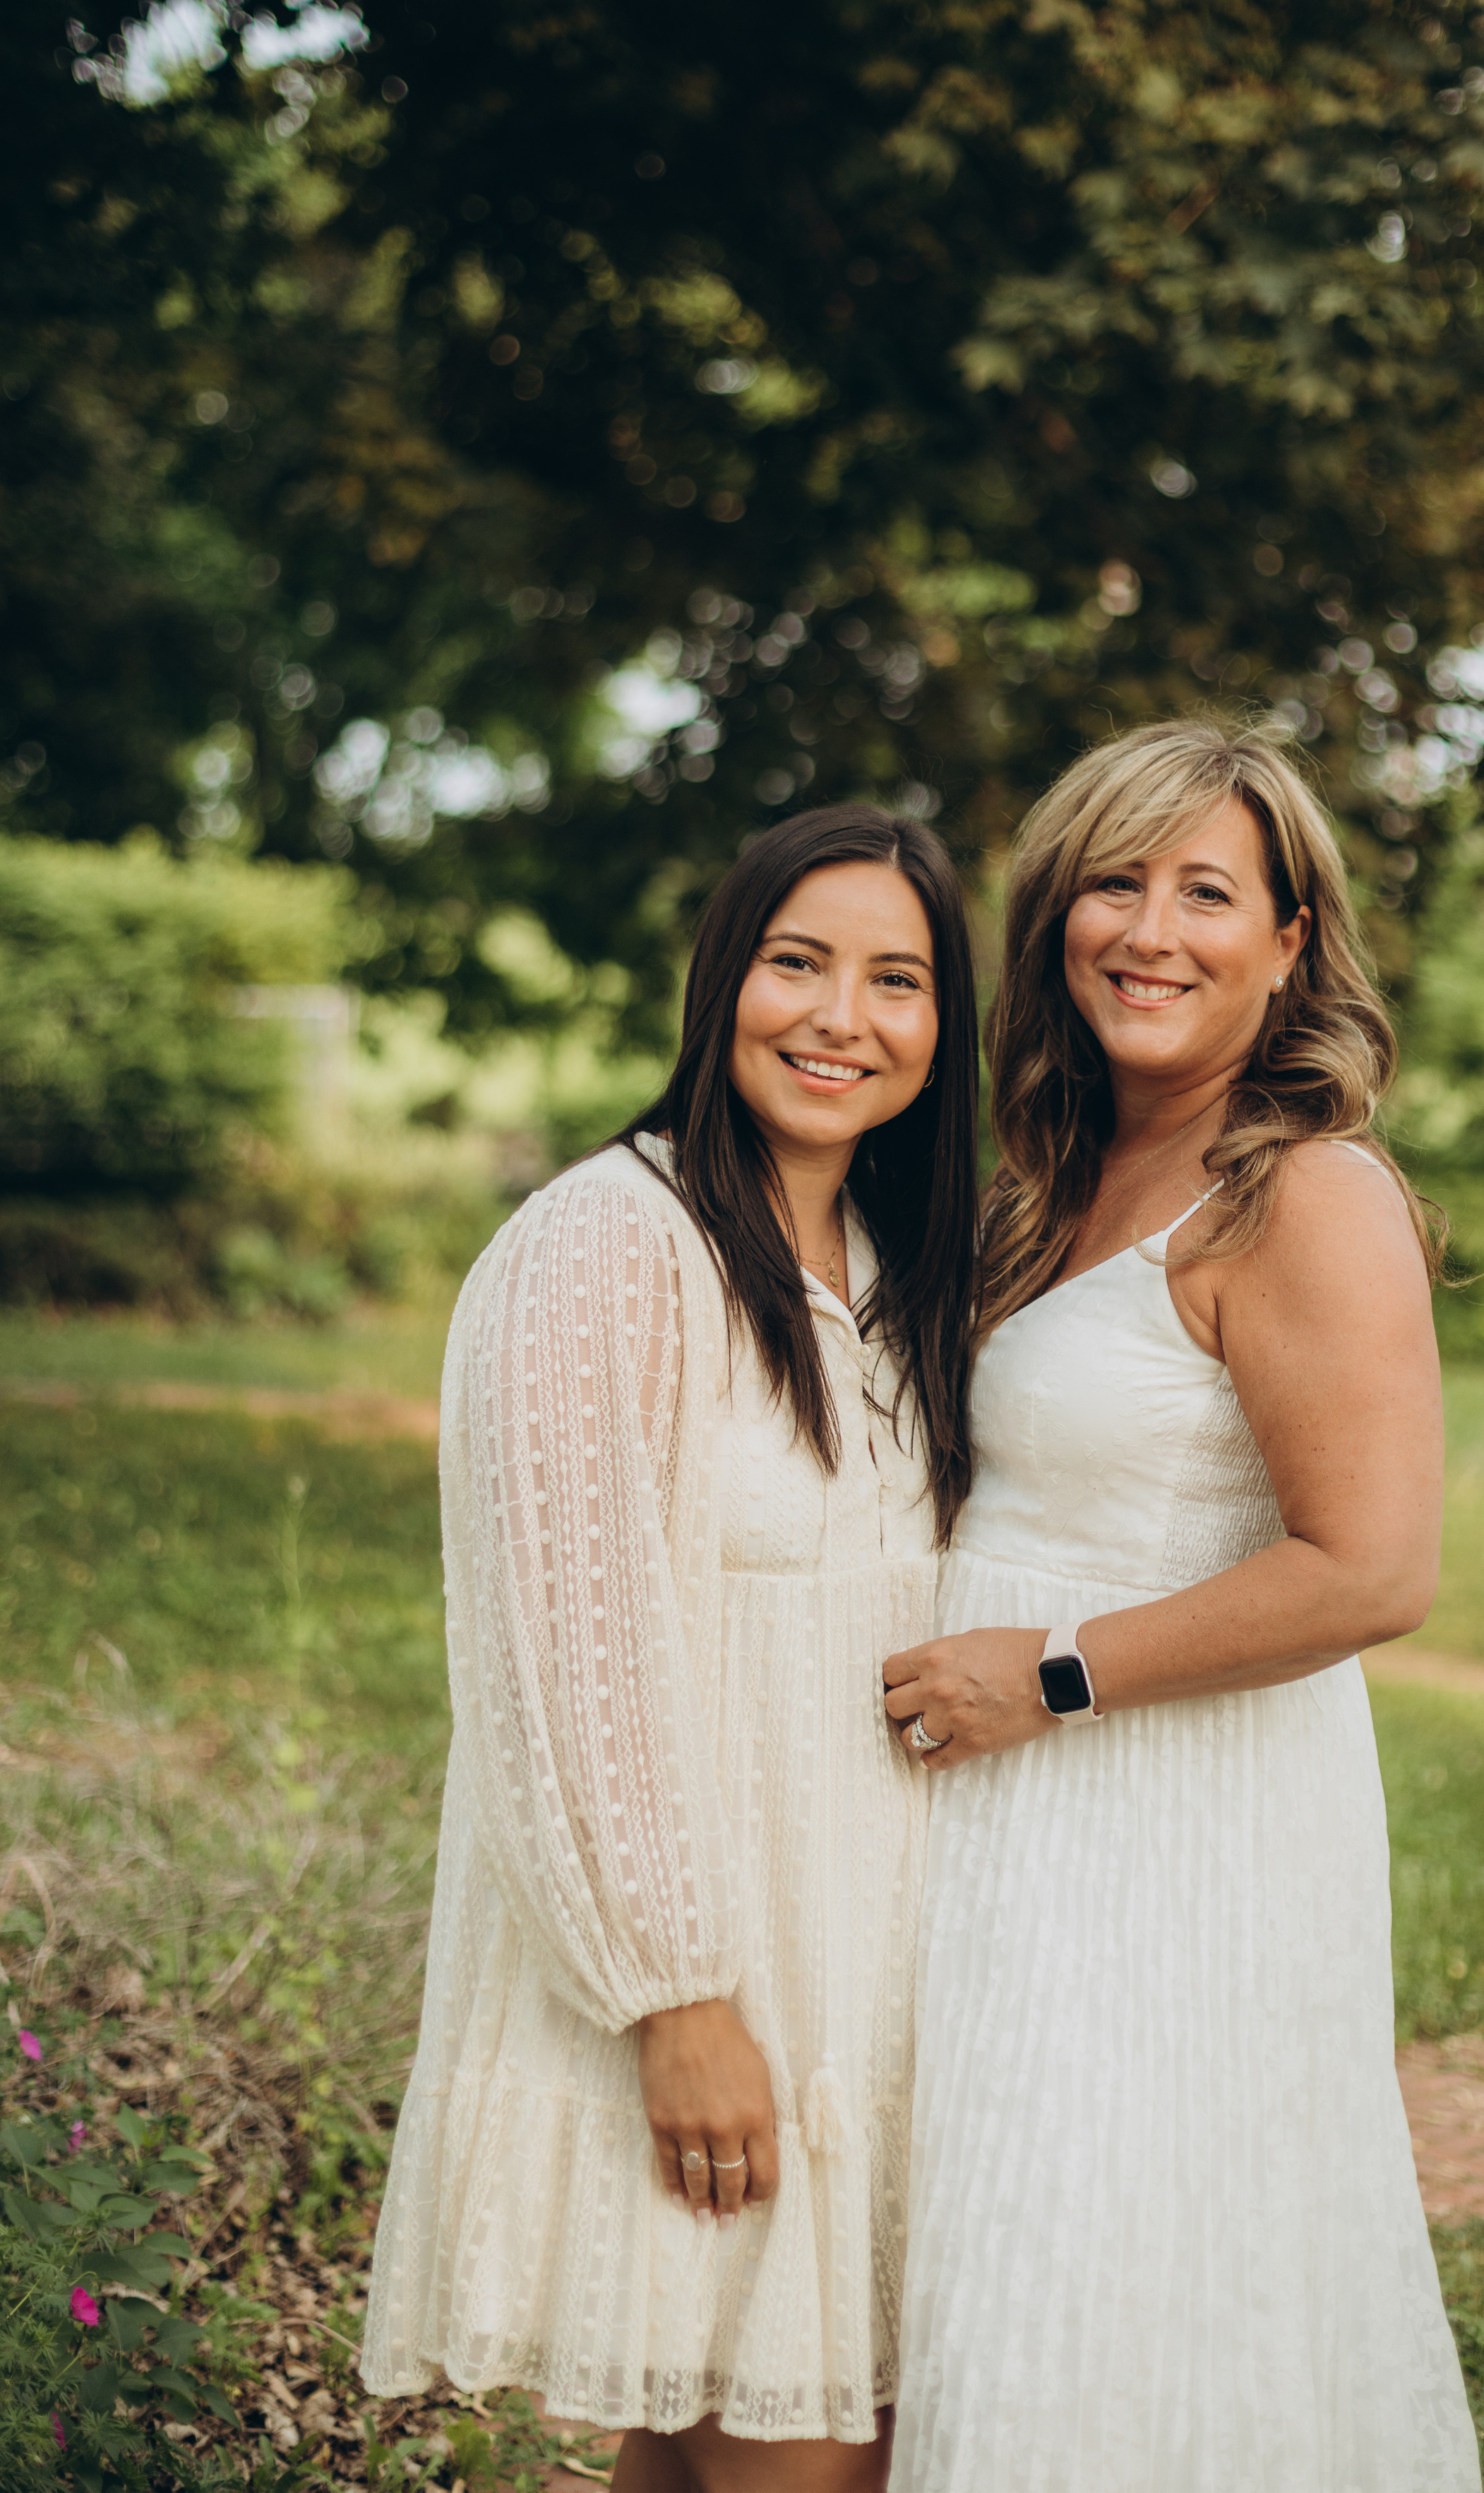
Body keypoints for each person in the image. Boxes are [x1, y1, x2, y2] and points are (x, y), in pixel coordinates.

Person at [882, 721, 1481, 2492]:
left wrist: (1048, 1677)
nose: (1149, 930)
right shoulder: (1047, 1183)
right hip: (1002, 1835)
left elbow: (1370, 1566)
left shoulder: (1302, 1191)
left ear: (1289, 942)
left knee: (1123, 2263)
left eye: (1205, 891)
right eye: (1111, 884)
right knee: (1002, 2254)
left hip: (1166, 1828)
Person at [361, 805, 980, 2492]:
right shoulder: (602, 1244)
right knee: (801, 2463)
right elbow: (565, 1655)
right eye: (798, 964)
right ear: (722, 983)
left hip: (854, 1967)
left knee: (716, 2456)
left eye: (896, 982)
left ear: (944, 1031)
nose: (840, 1018)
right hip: (703, 1979)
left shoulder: (891, 1266)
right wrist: (674, 1996)